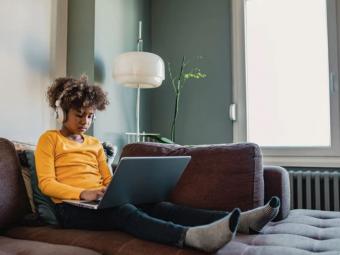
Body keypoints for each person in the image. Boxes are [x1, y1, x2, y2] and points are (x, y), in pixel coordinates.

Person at [35, 75, 280, 253]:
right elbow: (47, 184)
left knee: (158, 205)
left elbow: (108, 179)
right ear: (62, 113)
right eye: (80, 115)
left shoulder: (95, 144)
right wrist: (83, 193)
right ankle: (190, 237)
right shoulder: (50, 140)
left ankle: (240, 220)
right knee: (124, 212)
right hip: (71, 210)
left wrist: (116, 190)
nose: (85, 121)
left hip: (99, 202)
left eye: (90, 116)